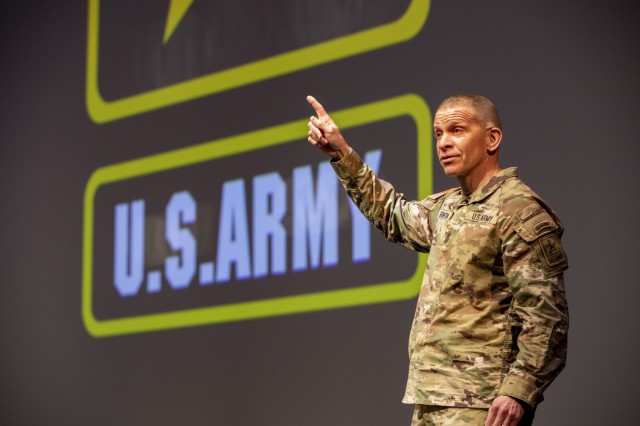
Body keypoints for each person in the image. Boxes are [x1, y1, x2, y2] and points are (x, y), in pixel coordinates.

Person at [305, 94, 569, 426]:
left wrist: (519, 389)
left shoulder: (517, 209)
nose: (444, 143)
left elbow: (546, 315)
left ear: (492, 139)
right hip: (431, 397)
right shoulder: (449, 207)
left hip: (483, 403)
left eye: (456, 130)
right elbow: (393, 215)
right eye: (438, 134)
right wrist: (342, 153)